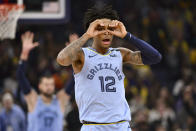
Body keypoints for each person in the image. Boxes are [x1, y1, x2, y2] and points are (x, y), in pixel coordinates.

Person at [57, 5, 162, 131]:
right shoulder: (82, 55)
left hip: (121, 125)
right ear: (93, 30)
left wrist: (127, 35)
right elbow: (62, 59)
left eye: (110, 29)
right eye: (101, 29)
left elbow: (155, 57)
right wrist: (86, 35)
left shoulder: (120, 54)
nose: (106, 32)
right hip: (93, 126)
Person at [17, 31, 73, 131]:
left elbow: (74, 78)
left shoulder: (60, 100)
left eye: (51, 84)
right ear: (39, 86)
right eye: (46, 84)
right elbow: (20, 77)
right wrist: (24, 53)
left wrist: (75, 55)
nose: (49, 87)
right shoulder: (33, 100)